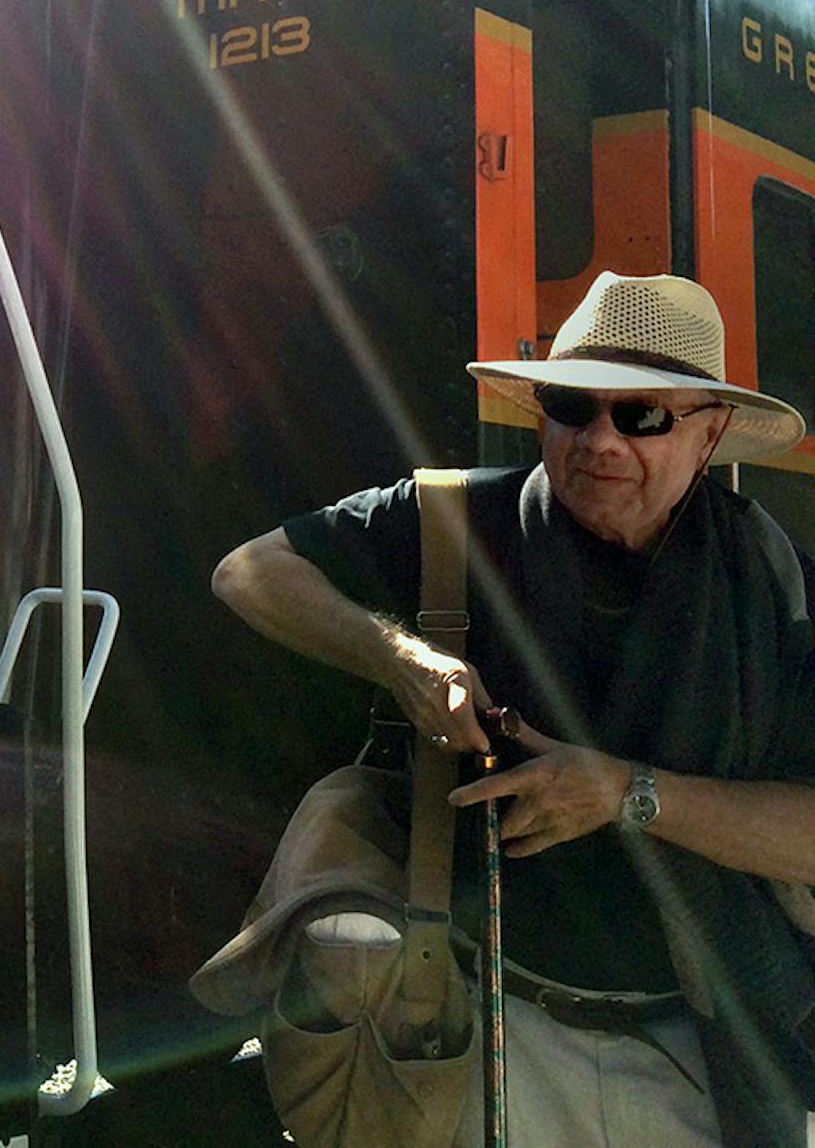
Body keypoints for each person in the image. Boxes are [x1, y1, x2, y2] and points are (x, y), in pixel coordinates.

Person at [210, 270, 815, 1147]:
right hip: (487, 1031)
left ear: (710, 431)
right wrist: (404, 659)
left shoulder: (771, 582)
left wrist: (626, 794)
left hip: (702, 1046)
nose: (600, 440)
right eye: (575, 406)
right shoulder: (458, 523)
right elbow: (249, 572)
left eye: (642, 416)